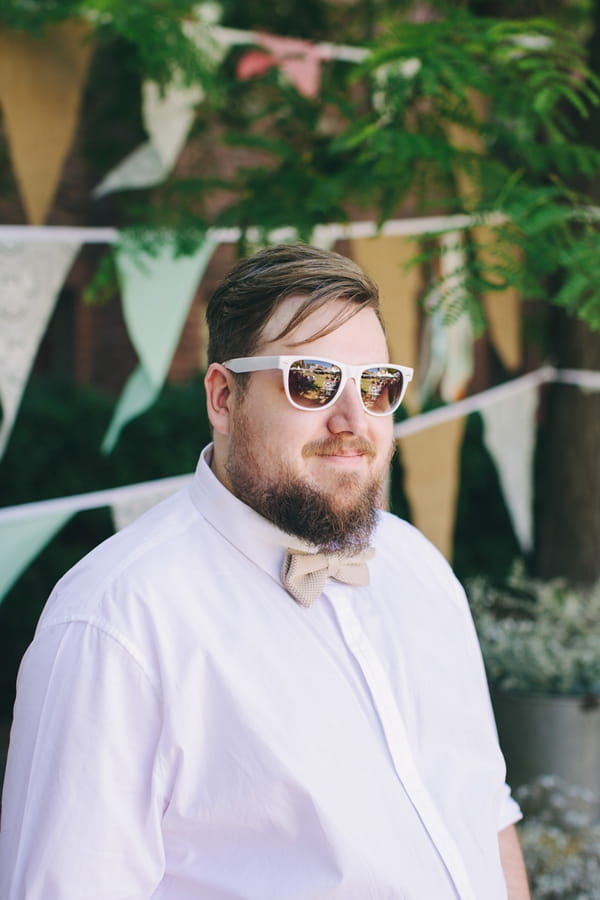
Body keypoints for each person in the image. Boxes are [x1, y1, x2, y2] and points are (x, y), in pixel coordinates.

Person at [0, 243, 530, 899]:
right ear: (224, 397)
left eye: (376, 386)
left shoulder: (419, 569)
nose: (352, 421)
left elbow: (485, 812)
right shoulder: (114, 625)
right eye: (313, 381)